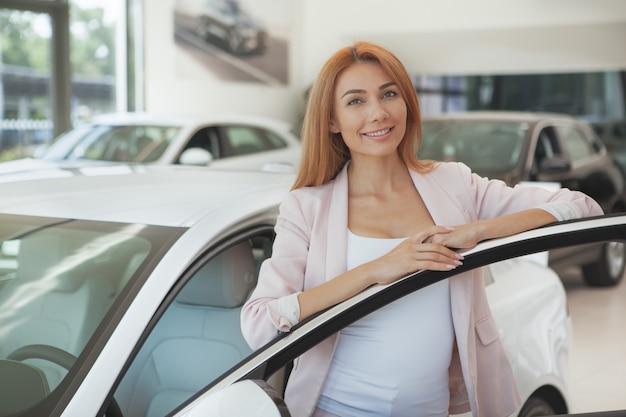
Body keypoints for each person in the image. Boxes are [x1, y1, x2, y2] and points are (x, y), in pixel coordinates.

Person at [240, 41, 603, 417]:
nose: (378, 113)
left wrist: (479, 231)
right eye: (355, 101)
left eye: (389, 94)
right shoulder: (308, 207)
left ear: (407, 102)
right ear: (332, 121)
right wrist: (374, 270)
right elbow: (259, 324)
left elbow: (582, 208)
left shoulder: (455, 184)